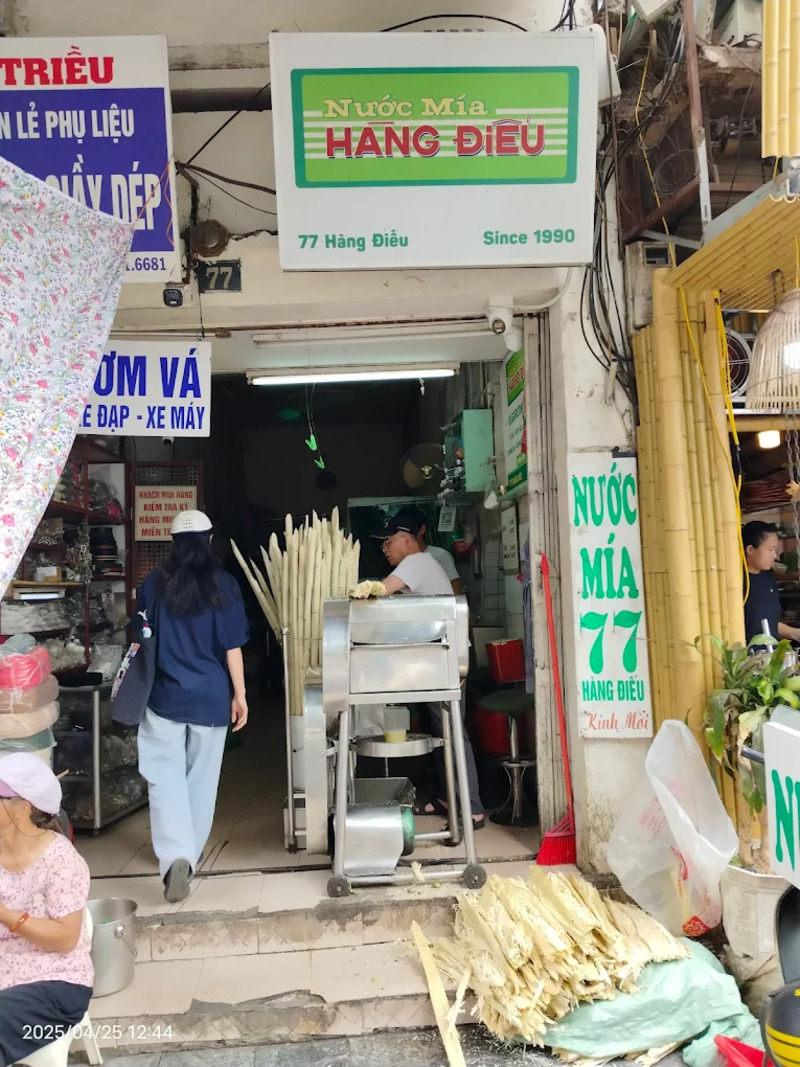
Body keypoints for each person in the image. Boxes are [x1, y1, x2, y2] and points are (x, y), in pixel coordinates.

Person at [137, 509, 250, 903]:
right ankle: (190, 855)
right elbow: (232, 646)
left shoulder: (154, 584)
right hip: (210, 696)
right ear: (210, 539)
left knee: (163, 779)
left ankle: (176, 857)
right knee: (201, 779)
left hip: (163, 697)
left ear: (173, 543)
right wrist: (240, 694)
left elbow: (141, 637)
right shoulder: (225, 585)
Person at [378, 515, 485, 829]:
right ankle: (448, 797)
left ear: (408, 539)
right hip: (438, 659)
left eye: (389, 541)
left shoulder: (416, 562)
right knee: (443, 731)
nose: (385, 548)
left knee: (452, 731)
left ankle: (472, 808)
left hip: (446, 660)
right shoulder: (421, 564)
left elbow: (380, 591)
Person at [0, 753, 93, 1067]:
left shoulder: (60, 860)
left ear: (23, 806)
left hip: (55, 984)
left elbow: (66, 939)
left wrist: (5, 915)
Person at [743, 520, 800, 644]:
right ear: (750, 550)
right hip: (748, 654)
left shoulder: (768, 580)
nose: (774, 555)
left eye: (775, 549)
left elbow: (771, 623)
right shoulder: (738, 583)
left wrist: (796, 633)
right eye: (770, 549)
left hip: (771, 652)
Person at [394, 505, 462, 595]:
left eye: (408, 531)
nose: (405, 536)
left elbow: (455, 591)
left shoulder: (440, 555)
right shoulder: (402, 559)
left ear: (422, 529)